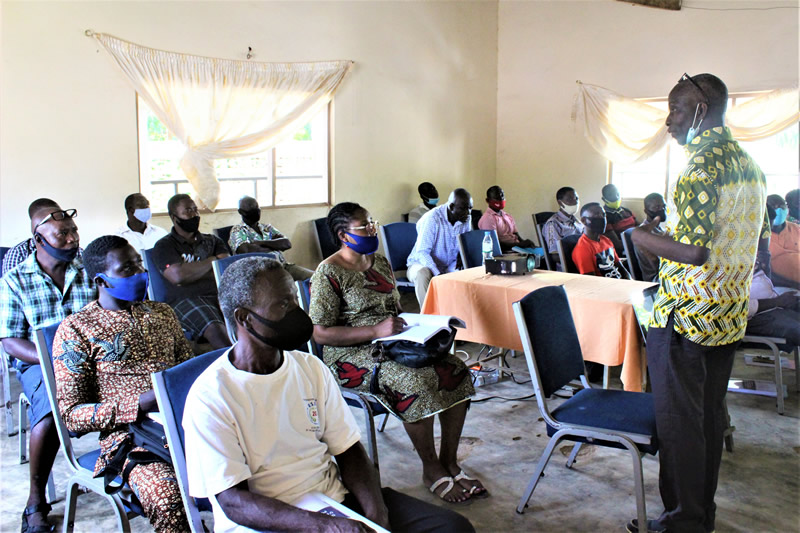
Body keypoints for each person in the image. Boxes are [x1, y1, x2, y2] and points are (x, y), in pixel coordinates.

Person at [184, 256, 475, 533]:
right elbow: (233, 502)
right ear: (245, 319)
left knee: (455, 528)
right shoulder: (211, 397)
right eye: (283, 304)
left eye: (295, 300)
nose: (298, 313)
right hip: (268, 521)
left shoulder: (310, 368)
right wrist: (325, 526)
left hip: (333, 503)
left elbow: (348, 450)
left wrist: (377, 517)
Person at [631, 73, 769, 533]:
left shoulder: (700, 167)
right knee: (709, 419)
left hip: (685, 318)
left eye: (674, 109)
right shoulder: (750, 165)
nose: (668, 121)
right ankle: (700, 515)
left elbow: (694, 253)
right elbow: (746, 240)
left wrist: (641, 236)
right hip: (727, 316)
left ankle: (682, 522)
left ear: (700, 108)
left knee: (678, 425)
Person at [310, 202, 486, 505]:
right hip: (351, 355)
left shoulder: (378, 262)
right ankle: (431, 469)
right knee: (413, 382)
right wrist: (375, 331)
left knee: (456, 368)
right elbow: (320, 333)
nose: (371, 230)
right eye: (363, 227)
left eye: (371, 223)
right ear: (342, 235)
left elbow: (394, 310)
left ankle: (450, 462)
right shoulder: (329, 272)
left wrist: (418, 328)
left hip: (393, 340)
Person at [54, 236, 191, 532]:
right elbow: (71, 416)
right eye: (127, 269)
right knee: (167, 498)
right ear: (101, 280)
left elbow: (187, 371)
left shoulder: (163, 313)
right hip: (131, 440)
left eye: (139, 264)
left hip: (184, 424)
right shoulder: (77, 329)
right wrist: (141, 403)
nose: (140, 273)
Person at [0, 206, 96, 533]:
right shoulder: (16, 280)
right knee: (51, 407)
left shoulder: (88, 269)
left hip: (93, 355)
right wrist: (54, 358)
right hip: (38, 362)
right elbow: (11, 341)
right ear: (38, 238)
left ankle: (128, 468)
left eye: (74, 233)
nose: (71, 240)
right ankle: (35, 501)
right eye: (62, 235)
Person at [151, 194, 231, 349]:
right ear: (175, 217)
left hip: (218, 295)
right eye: (188, 211)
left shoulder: (212, 241)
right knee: (216, 329)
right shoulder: (164, 246)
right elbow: (178, 276)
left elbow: (225, 268)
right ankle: (237, 367)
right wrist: (212, 260)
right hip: (184, 300)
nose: (194, 215)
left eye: (195, 210)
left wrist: (191, 271)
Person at [406, 189, 473, 306]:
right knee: (423, 273)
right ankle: (429, 317)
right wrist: (437, 273)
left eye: (470, 208)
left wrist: (462, 255)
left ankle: (457, 316)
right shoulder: (432, 219)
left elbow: (465, 243)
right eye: (464, 208)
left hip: (447, 265)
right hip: (421, 264)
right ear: (451, 207)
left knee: (467, 272)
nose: (468, 213)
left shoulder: (465, 218)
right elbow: (422, 253)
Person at [228, 195, 313, 280]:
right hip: (260, 273)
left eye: (257, 208)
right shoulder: (238, 230)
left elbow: (286, 244)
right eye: (251, 209)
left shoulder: (267, 227)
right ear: (241, 212)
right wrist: (275, 246)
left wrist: (262, 243)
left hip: (284, 267)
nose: (256, 212)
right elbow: (248, 251)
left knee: (315, 278)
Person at [745, 251, 800, 346]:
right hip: (756, 317)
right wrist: (777, 302)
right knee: (797, 330)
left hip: (775, 307)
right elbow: (742, 309)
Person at [2, 198, 62, 275]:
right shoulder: (18, 253)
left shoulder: (75, 249)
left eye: (61, 215)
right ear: (36, 222)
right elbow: (9, 285)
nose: (61, 220)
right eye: (54, 217)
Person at [572, 203, 628, 279]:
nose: (602, 218)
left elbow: (621, 268)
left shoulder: (606, 240)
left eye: (604, 215)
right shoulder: (583, 248)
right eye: (597, 215)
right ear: (584, 220)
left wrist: (631, 281)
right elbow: (591, 280)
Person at [478, 185, 535, 252]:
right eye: (497, 197)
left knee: (542, 255)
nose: (501, 199)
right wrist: (518, 245)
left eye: (502, 196)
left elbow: (517, 236)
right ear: (488, 200)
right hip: (505, 252)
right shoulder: (488, 219)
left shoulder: (507, 216)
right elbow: (494, 244)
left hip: (516, 249)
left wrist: (526, 243)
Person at [542, 187, 584, 267]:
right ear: (560, 203)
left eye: (576, 198)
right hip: (571, 267)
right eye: (570, 199)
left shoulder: (576, 221)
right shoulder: (553, 224)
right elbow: (555, 256)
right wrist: (579, 258)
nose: (575, 201)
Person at [766, 194, 800, 286]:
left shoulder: (797, 229)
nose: (779, 210)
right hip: (778, 285)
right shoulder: (761, 236)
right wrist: (792, 285)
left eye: (782, 206)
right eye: (774, 207)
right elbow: (762, 271)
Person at [634, 193, 667, 282]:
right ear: (646, 211)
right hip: (656, 278)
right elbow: (656, 265)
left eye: (664, 206)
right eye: (657, 207)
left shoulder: (660, 229)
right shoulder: (644, 235)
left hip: (664, 272)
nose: (662, 209)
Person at [600, 183, 636, 254]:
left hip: (636, 243)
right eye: (611, 195)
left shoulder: (627, 211)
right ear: (604, 199)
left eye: (618, 194)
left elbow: (639, 228)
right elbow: (617, 244)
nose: (616, 197)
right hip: (624, 250)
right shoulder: (604, 216)